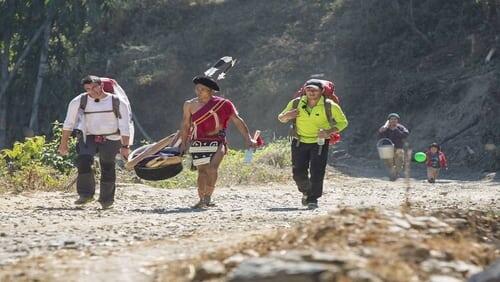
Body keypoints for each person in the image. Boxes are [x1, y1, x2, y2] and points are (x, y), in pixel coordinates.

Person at [180, 76, 256, 208]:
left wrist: (248, 138)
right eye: (197, 88)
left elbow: (237, 120)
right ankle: (202, 199)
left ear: (211, 91)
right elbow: (186, 125)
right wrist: (183, 143)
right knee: (202, 172)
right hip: (198, 141)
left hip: (218, 141)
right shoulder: (189, 105)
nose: (199, 91)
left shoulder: (224, 104)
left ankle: (208, 196)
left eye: (202, 89)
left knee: (212, 168)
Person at [58, 75, 132, 209]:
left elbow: (125, 126)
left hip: (112, 137)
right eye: (88, 89)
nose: (92, 91)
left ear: (101, 85)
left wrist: (125, 146)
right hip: (89, 135)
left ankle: (106, 200)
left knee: (107, 165)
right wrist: (64, 144)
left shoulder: (118, 102)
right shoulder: (79, 101)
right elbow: (69, 123)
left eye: (94, 87)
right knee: (83, 161)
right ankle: (85, 195)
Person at [278, 80, 348, 209]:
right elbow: (281, 118)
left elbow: (343, 122)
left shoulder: (330, 105)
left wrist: (328, 132)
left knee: (317, 171)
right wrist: (287, 115)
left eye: (315, 89)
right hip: (299, 141)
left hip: (320, 143)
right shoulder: (296, 103)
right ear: (305, 90)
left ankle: (313, 198)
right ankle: (306, 191)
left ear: (321, 91)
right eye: (309, 89)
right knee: (298, 172)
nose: (311, 92)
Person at [378, 113, 410, 181]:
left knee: (399, 163)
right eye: (391, 119)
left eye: (395, 119)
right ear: (389, 120)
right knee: (389, 163)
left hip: (398, 148)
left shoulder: (400, 127)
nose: (393, 120)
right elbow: (380, 136)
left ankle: (396, 173)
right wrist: (381, 130)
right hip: (387, 148)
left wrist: (396, 129)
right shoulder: (385, 128)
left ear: (397, 120)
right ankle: (393, 175)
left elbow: (405, 134)